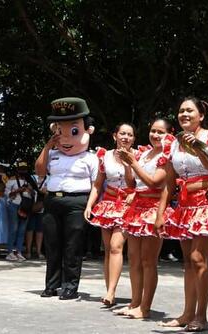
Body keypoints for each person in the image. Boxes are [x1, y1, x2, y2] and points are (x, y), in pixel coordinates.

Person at [158, 97, 208, 332]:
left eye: (190, 110)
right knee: (188, 263)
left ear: (201, 115)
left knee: (198, 258)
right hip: (184, 206)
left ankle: (201, 315)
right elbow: (168, 181)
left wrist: (198, 147)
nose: (184, 114)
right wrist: (161, 212)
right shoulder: (172, 142)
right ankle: (187, 312)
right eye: (181, 110)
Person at [35, 97, 99, 300]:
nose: (65, 138)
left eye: (72, 131)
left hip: (77, 202)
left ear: (87, 130)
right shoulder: (53, 154)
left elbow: (97, 185)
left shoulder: (90, 158)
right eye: (59, 131)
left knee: (73, 246)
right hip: (53, 201)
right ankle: (51, 285)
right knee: (52, 244)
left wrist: (90, 205)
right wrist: (47, 147)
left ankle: (70, 286)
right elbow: (39, 170)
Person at [116, 118, 177, 319]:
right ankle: (135, 302)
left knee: (148, 260)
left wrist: (132, 162)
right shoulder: (144, 153)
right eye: (153, 131)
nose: (155, 135)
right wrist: (127, 164)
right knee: (134, 258)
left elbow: (154, 182)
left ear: (170, 133)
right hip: (137, 207)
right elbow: (131, 184)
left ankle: (145, 306)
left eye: (160, 132)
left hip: (154, 207)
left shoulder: (167, 156)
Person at [84, 123, 136, 307]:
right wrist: (90, 205)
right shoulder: (104, 156)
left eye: (130, 135)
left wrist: (129, 163)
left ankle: (111, 291)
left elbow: (137, 183)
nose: (126, 137)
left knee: (116, 246)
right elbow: (98, 184)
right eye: (122, 133)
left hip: (128, 206)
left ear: (134, 138)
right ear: (115, 136)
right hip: (108, 205)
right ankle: (109, 290)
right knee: (108, 250)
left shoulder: (138, 156)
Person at [5, 161, 36, 262]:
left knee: (22, 230)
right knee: (13, 229)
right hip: (14, 205)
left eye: (25, 169)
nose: (23, 171)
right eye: (21, 169)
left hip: (25, 206)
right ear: (17, 170)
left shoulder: (30, 180)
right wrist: (17, 191)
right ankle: (10, 252)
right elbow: (7, 194)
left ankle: (19, 252)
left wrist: (30, 190)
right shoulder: (12, 180)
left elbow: (34, 194)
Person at [25, 174, 47, 260]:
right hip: (31, 206)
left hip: (42, 207)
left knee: (40, 230)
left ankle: (38, 251)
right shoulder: (32, 177)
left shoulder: (49, 178)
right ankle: (28, 251)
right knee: (29, 229)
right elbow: (27, 190)